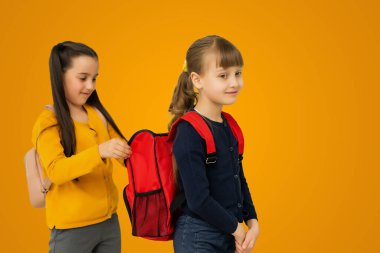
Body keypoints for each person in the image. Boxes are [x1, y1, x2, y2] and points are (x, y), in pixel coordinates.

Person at [31, 41, 131, 253]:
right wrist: (100, 151)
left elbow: (125, 155)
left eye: (94, 79)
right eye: (83, 78)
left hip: (109, 224)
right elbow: (56, 171)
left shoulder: (97, 114)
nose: (91, 86)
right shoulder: (48, 122)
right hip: (71, 230)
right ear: (60, 76)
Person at [169, 35, 260, 253]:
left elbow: (239, 178)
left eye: (238, 73)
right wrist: (237, 229)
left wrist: (253, 221)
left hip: (228, 232)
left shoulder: (230, 125)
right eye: (223, 75)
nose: (234, 82)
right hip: (199, 237)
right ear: (197, 80)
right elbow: (199, 199)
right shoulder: (189, 131)